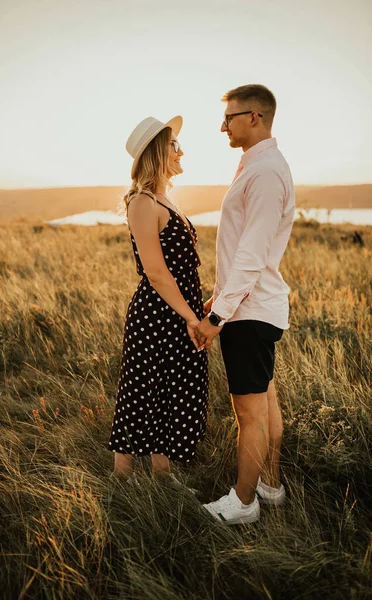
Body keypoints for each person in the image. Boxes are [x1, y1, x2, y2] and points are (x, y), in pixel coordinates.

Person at [198, 84, 295, 524]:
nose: (223, 126)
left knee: (248, 412)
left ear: (254, 116)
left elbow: (251, 255)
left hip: (248, 312)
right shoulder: (256, 166)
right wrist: (217, 298)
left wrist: (218, 315)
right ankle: (270, 486)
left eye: (229, 118)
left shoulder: (266, 173)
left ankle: (243, 502)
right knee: (266, 399)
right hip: (249, 306)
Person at [108, 116, 209, 485]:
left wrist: (201, 307)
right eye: (173, 145)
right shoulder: (142, 203)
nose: (180, 150)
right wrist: (190, 317)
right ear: (156, 154)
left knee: (169, 391)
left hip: (179, 311)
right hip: (157, 314)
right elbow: (155, 271)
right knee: (143, 388)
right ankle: (121, 479)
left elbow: (182, 267)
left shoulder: (167, 199)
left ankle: (162, 474)